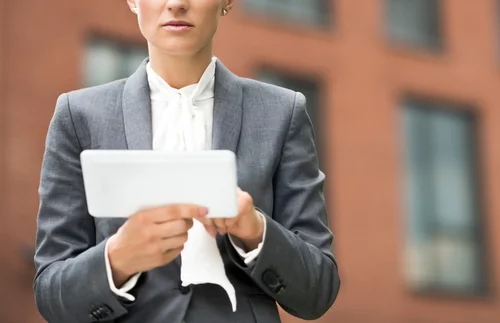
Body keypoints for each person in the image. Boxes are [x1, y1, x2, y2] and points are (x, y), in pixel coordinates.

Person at [32, 0, 340, 322]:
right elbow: (51, 294)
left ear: (228, 2)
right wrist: (117, 259)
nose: (177, 3)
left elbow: (318, 290)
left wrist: (255, 230)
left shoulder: (281, 113)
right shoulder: (79, 117)